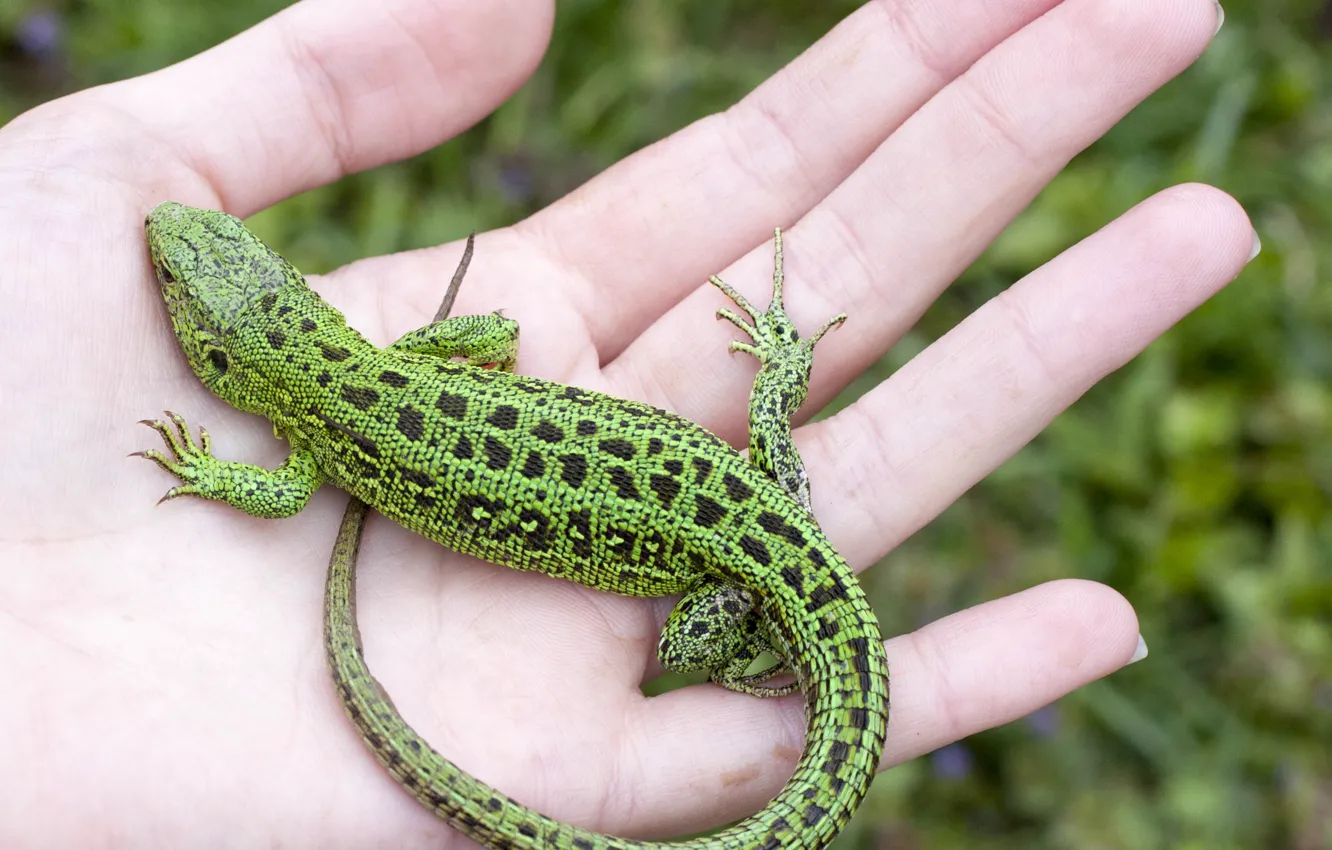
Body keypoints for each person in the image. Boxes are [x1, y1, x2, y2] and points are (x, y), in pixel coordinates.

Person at [0, 0, 1254, 845]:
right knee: (766, 526)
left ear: (238, 345)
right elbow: (487, 342)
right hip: (750, 509)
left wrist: (217, 473)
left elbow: (288, 489)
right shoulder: (379, 373)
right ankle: (774, 623)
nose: (178, 256)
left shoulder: (316, 445)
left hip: (730, 555)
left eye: (208, 274)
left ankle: (756, 658)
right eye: (188, 281)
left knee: (699, 632)